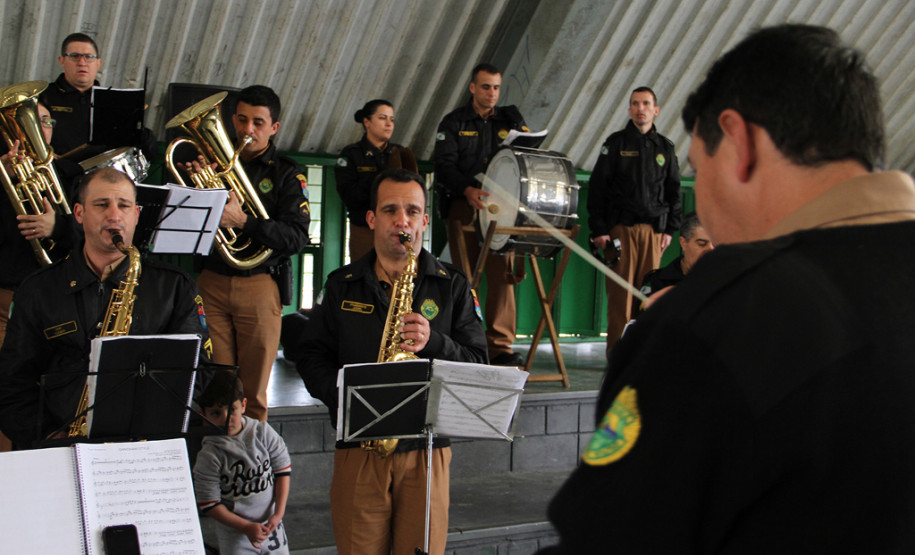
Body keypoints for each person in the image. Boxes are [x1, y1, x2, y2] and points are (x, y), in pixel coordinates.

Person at [541, 24, 915, 553]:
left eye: (699, 168)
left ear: (739, 142)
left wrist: (676, 342)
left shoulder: (730, 313)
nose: (705, 212)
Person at [296, 168, 487, 555]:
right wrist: (344, 401)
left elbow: (478, 361)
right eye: (390, 210)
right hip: (360, 448)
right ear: (372, 219)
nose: (403, 221)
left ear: (425, 221)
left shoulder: (453, 284)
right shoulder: (340, 283)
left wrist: (434, 341)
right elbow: (312, 354)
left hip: (427, 451)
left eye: (413, 211)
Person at [0, 167, 211, 448]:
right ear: (78, 214)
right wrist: (48, 437)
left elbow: (200, 370)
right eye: (101, 205)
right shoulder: (38, 289)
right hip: (59, 444)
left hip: (148, 444)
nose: (114, 215)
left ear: (136, 215)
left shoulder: (176, 287)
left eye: (124, 205)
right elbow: (12, 382)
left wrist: (154, 426)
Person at [195, 84, 310, 422]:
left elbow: (296, 237)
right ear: (232, 120)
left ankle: (252, 466)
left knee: (253, 391)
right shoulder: (210, 162)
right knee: (214, 384)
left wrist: (243, 221)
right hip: (211, 281)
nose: (248, 130)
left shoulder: (287, 173)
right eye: (243, 120)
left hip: (259, 283)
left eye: (258, 123)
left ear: (274, 127)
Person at [434, 63, 529, 366]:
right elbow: (444, 165)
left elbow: (525, 157)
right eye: (485, 86)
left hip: (502, 209)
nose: (491, 93)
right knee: (464, 277)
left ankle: (500, 346)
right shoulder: (454, 122)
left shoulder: (509, 120)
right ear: (473, 87)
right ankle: (465, 342)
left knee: (503, 275)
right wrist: (467, 189)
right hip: (465, 204)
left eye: (496, 87)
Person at [587, 86, 681, 353]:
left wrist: (669, 229)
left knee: (647, 297)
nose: (641, 108)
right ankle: (617, 356)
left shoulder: (665, 147)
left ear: (656, 110)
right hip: (621, 231)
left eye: (646, 103)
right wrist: (600, 230)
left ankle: (642, 356)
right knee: (620, 298)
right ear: (629, 110)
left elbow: (673, 191)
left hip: (653, 233)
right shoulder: (615, 144)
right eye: (635, 103)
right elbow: (598, 189)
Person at [194, 370, 291, 554]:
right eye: (215, 413)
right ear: (203, 415)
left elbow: (283, 471)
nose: (225, 419)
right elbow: (210, 504)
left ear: (244, 405)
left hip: (272, 526)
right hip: (235, 534)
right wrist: (245, 527)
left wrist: (278, 514)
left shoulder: (262, 433)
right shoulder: (209, 455)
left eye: (232, 410)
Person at [38, 32, 156, 163]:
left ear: (98, 63)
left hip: (102, 174)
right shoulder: (43, 96)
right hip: (59, 173)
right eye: (74, 56)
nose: (82, 63)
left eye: (89, 57)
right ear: (62, 61)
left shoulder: (114, 100)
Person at [336, 99, 418, 261]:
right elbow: (349, 196)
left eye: (392, 119)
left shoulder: (400, 153)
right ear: (367, 122)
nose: (389, 124)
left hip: (397, 230)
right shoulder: (351, 154)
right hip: (364, 229)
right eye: (382, 118)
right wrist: (381, 178)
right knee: (364, 279)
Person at [639, 211, 713, 297]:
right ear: (683, 243)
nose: (711, 249)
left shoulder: (725, 282)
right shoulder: (658, 283)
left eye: (715, 244)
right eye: (702, 243)